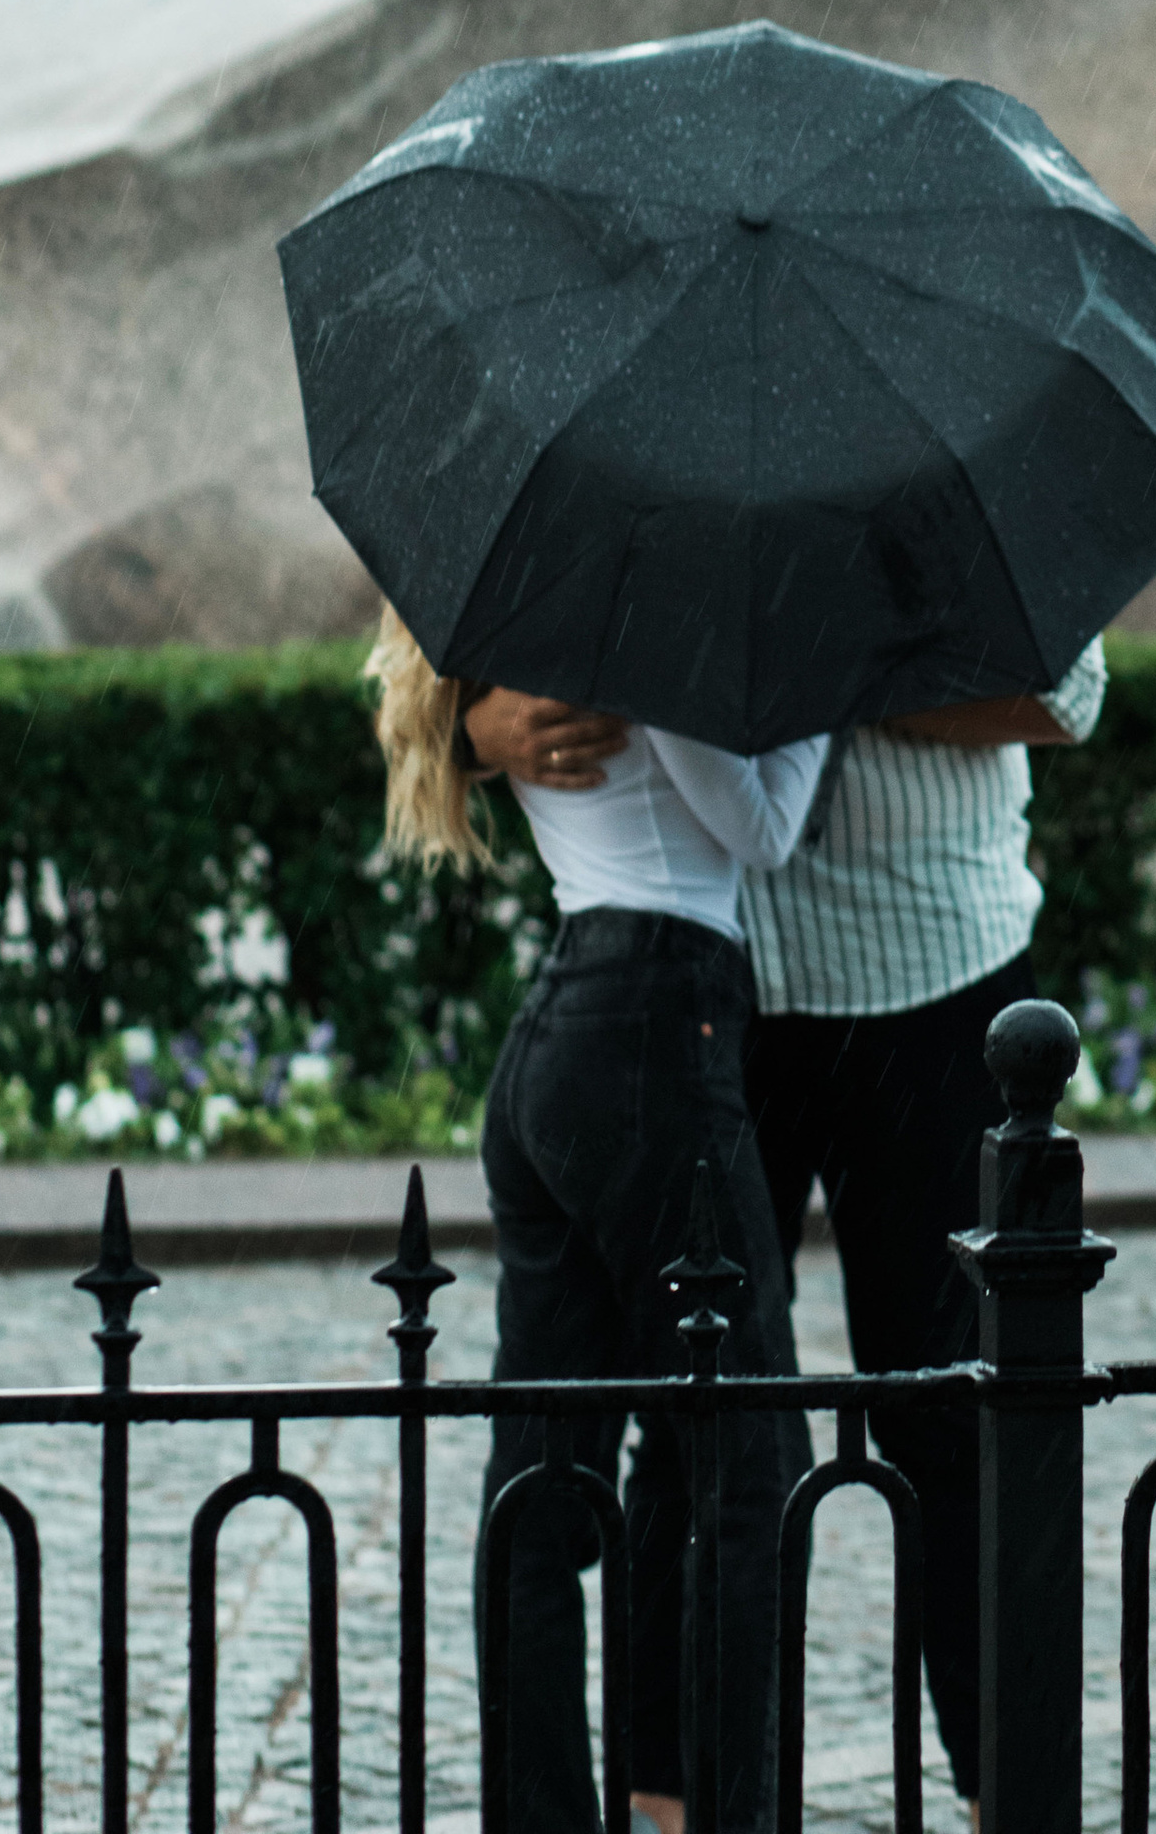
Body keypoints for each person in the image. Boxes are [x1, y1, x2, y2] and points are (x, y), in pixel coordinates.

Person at [467, 639, 1108, 1820]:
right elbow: (497, 633)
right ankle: (675, 1801)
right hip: (719, 1005)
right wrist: (472, 730)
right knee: (698, 1422)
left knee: (953, 1412)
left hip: (936, 977)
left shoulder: (944, 464)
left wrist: (822, 666)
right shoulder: (689, 462)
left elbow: (1063, 696)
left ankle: (1002, 1795)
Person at [371, 609, 826, 1834]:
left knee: (542, 1481)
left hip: (568, 1033)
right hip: (653, 1037)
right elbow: (762, 827)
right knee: (754, 1465)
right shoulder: (652, 614)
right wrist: (819, 691)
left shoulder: (549, 597)